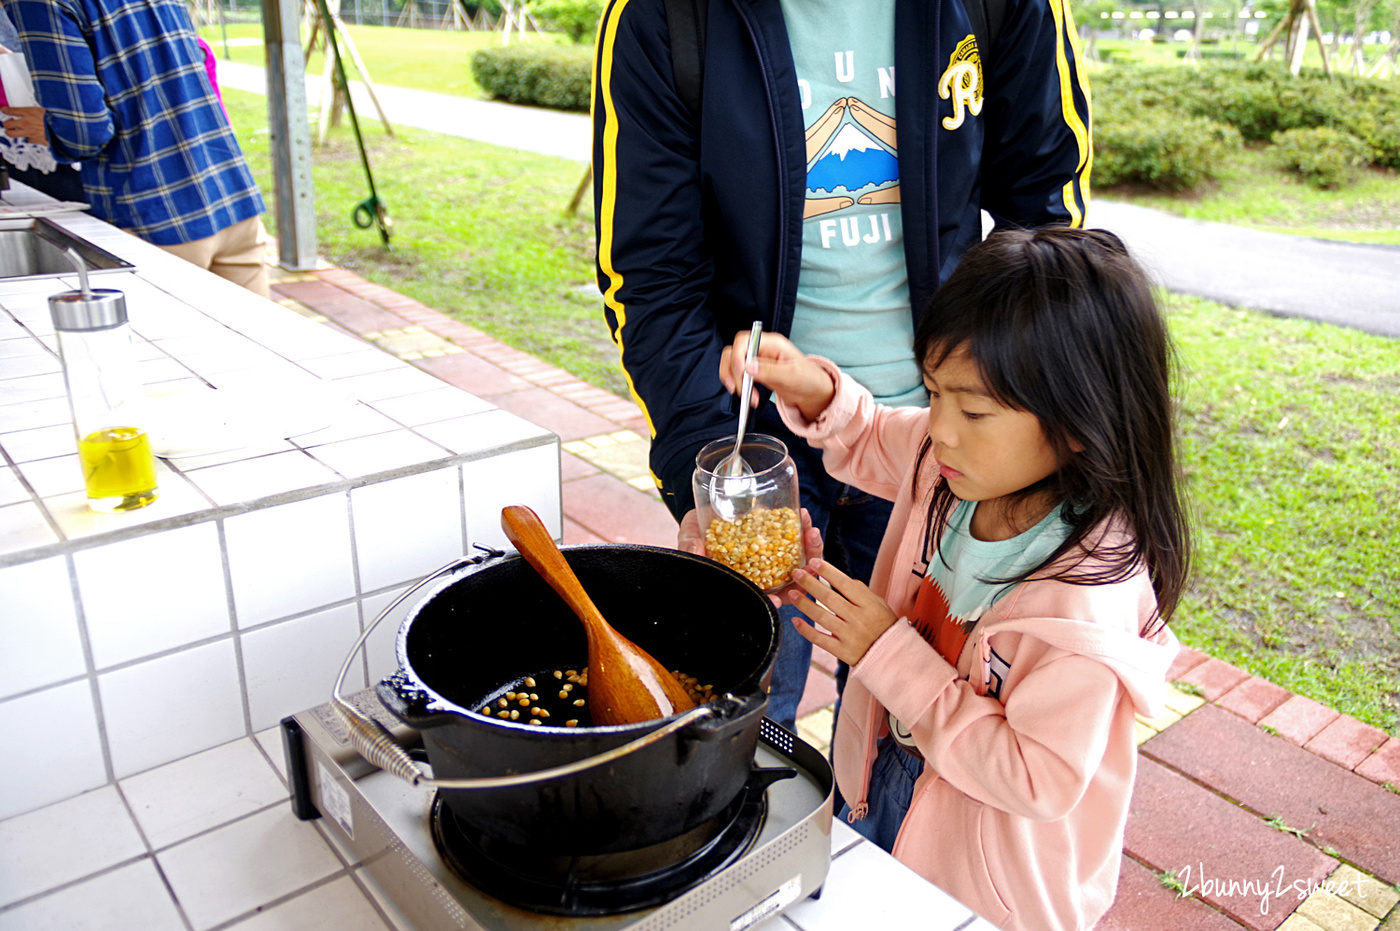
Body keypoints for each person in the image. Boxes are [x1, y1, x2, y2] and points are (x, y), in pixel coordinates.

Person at [592, 0, 1092, 730]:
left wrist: (1003, 429)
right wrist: (710, 461)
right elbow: (653, 279)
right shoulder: (662, 15)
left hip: (942, 444)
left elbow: (1045, 221)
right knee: (744, 725)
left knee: (923, 728)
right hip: (761, 452)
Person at [718, 227, 1189, 931]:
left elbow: (1036, 777)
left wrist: (886, 653)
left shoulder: (1085, 602)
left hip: (991, 877)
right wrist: (815, 387)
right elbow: (877, 433)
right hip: (885, 780)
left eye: (973, 410)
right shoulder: (950, 469)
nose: (941, 429)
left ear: (1082, 420)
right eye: (935, 393)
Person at [7, 0, 270, 297]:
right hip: (232, 198)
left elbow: (83, 131)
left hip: (155, 213)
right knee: (256, 340)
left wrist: (50, 129)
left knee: (166, 342)